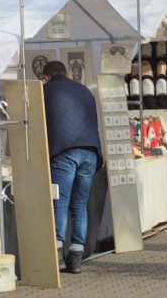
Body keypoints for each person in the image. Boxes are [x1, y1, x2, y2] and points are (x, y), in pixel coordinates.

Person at [40, 60, 103, 274]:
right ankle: (76, 256)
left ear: (46, 77)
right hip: (91, 151)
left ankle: (56, 255)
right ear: (66, 74)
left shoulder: (45, 90)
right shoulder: (84, 89)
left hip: (65, 151)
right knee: (80, 205)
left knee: (60, 201)